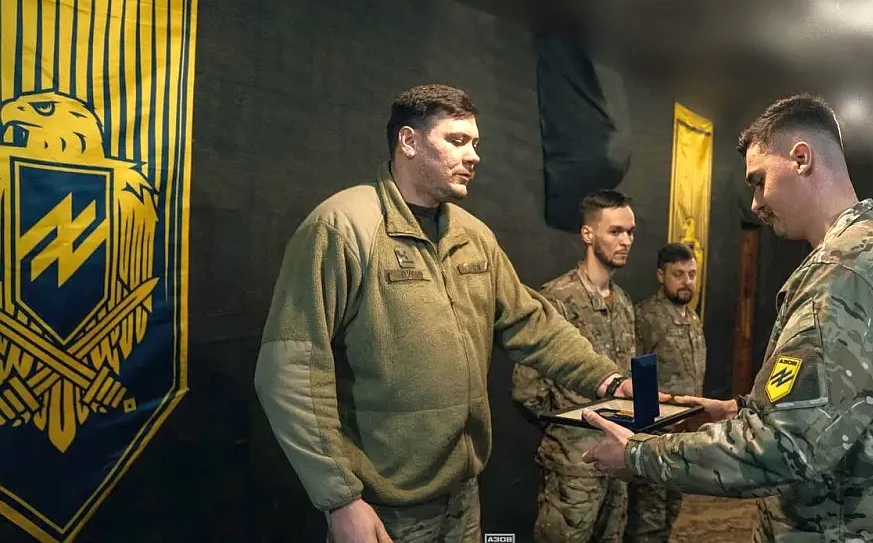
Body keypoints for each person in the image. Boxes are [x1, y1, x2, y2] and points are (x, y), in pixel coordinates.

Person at [254, 83, 653, 543]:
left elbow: (531, 322)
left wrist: (609, 381)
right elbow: (293, 371)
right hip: (386, 509)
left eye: (475, 143)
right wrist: (340, 499)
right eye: (457, 140)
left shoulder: (472, 235)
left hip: (463, 498)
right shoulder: (343, 227)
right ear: (408, 141)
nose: (473, 156)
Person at [581, 94, 873, 542]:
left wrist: (638, 454)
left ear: (801, 159)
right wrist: (740, 410)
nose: (754, 203)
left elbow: (786, 447)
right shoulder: (865, 256)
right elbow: (839, 407)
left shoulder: (847, 272)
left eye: (759, 180)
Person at [511, 189, 638, 543]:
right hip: (574, 467)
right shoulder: (556, 299)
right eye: (615, 231)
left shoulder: (623, 303)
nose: (626, 241)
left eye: (630, 232)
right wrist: (568, 432)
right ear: (588, 234)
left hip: (618, 459)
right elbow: (527, 390)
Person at [628, 242, 706, 543]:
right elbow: (631, 376)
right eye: (678, 274)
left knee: (673, 510)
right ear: (661, 275)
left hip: (684, 435)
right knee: (649, 519)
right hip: (654, 435)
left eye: (692, 274)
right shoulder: (646, 317)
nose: (687, 282)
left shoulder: (692, 318)